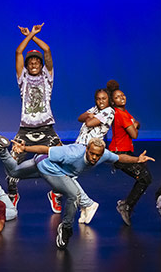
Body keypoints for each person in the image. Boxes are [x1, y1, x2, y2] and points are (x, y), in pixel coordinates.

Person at [0, 129, 154, 249]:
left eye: (98, 155)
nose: (94, 158)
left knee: (14, 171)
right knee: (73, 195)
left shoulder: (103, 154)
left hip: (42, 163)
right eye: (92, 154)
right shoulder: (73, 152)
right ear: (86, 148)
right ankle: (66, 229)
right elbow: (47, 149)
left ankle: (0, 148)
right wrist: (24, 148)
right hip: (48, 166)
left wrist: (137, 160)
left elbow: (119, 158)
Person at [8, 23, 62, 207]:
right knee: (12, 164)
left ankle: (56, 194)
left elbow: (46, 50)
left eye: (36, 61)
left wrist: (34, 35)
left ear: (41, 64)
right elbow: (18, 52)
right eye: (30, 62)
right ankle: (12, 194)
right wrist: (28, 34)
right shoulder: (22, 78)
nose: (33, 64)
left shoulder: (48, 77)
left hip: (47, 129)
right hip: (25, 130)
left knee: (61, 159)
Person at [48, 88, 115, 224]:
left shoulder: (109, 112)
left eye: (104, 99)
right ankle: (82, 204)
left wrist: (89, 116)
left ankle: (87, 203)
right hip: (79, 145)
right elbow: (80, 117)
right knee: (67, 175)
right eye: (98, 99)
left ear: (108, 100)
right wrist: (90, 115)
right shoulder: (95, 109)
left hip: (89, 149)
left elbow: (89, 122)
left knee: (67, 177)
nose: (100, 101)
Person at [109, 88, 154, 226]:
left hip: (126, 151)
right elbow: (134, 134)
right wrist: (134, 126)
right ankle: (126, 206)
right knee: (145, 177)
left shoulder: (124, 112)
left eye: (123, 94)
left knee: (145, 177)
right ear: (113, 101)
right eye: (117, 97)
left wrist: (134, 125)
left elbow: (137, 124)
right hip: (120, 154)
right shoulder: (120, 114)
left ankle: (127, 204)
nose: (121, 97)